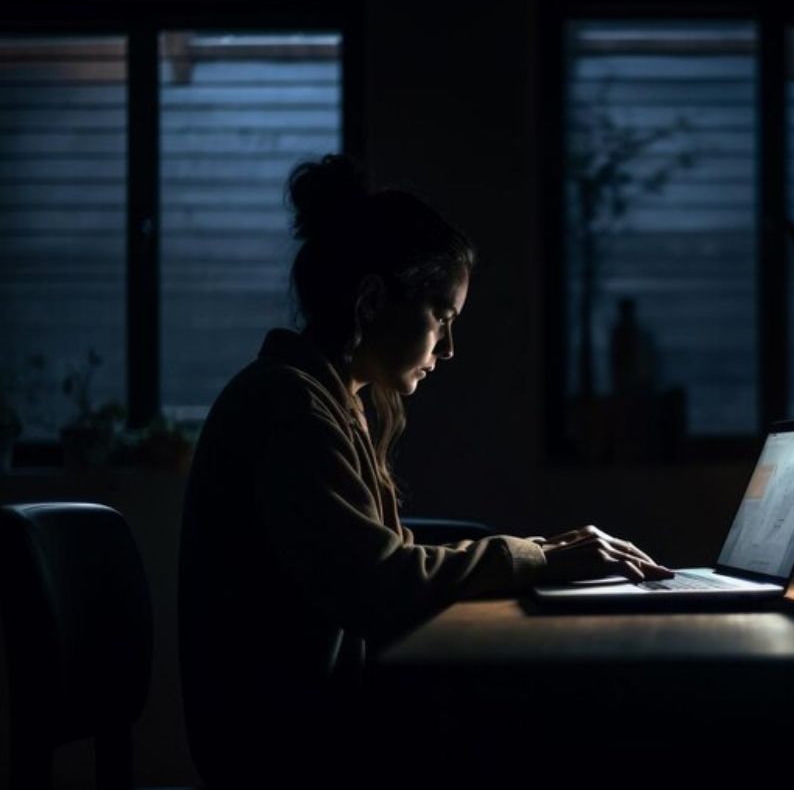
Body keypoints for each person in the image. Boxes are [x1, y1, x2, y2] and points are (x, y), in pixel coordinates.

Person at [177, 154, 672, 787]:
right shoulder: (289, 408)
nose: (450, 346)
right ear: (372, 300)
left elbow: (373, 560)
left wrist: (544, 551)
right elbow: (377, 583)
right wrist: (537, 560)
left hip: (317, 723)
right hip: (286, 749)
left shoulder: (327, 400)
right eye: (442, 317)